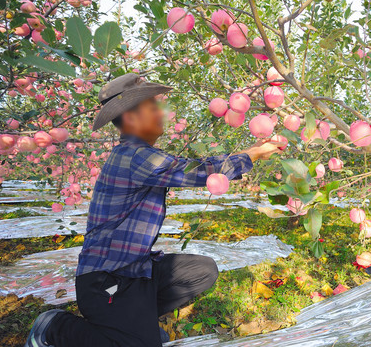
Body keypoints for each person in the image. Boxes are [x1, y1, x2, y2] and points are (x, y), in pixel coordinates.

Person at [25, 73, 284, 347]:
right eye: (152, 108)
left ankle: (137, 323)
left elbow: (198, 168)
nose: (161, 113)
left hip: (136, 270)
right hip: (107, 278)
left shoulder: (137, 155)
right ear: (131, 118)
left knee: (202, 270)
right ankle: (55, 327)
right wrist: (251, 155)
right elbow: (195, 171)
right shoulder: (135, 156)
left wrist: (248, 153)